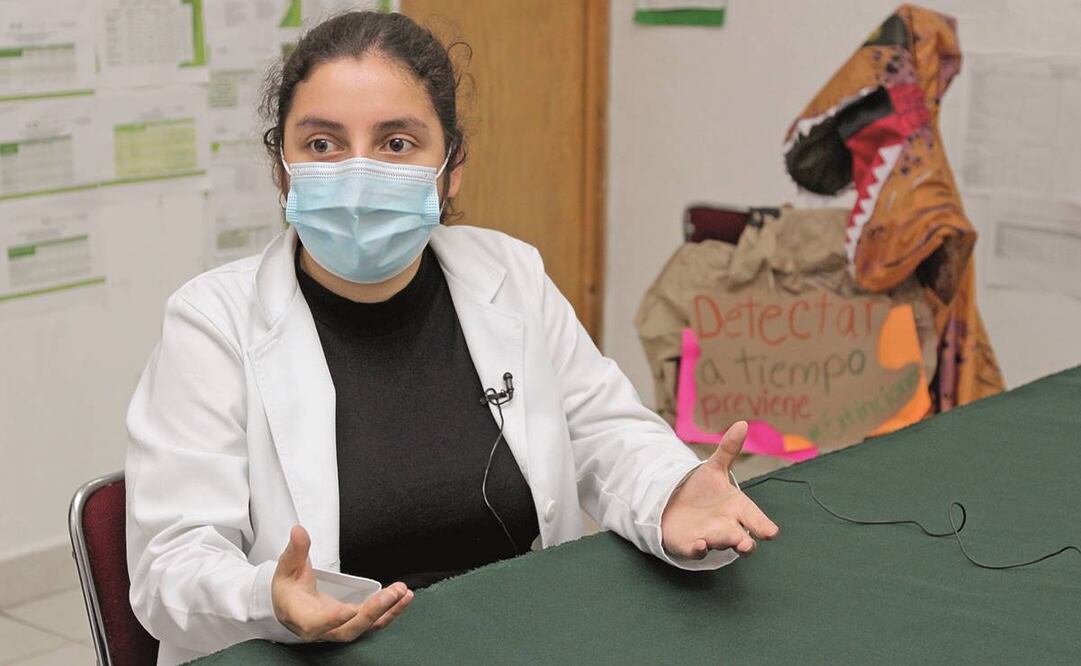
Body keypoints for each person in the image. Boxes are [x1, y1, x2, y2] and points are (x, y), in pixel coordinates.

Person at [125, 11, 778, 665]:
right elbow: (169, 567)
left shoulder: (508, 274)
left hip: (508, 638)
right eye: (322, 144)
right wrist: (268, 599)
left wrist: (668, 490)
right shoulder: (211, 322)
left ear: (451, 167)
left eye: (396, 143)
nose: (357, 177)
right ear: (281, 169)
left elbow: (603, 430)